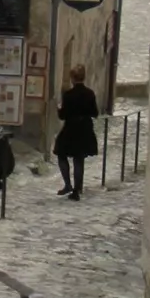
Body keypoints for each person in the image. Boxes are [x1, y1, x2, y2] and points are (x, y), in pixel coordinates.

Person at [53, 65, 99, 201]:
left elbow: (63, 115)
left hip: (71, 129)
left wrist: (59, 109)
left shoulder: (68, 95)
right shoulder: (90, 93)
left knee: (61, 154)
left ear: (72, 78)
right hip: (85, 129)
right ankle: (77, 189)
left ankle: (68, 184)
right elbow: (95, 113)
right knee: (79, 159)